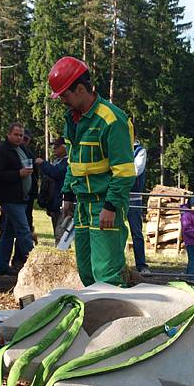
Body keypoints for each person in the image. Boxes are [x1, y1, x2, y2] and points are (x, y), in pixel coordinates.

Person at [49, 56, 135, 286]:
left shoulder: (111, 119)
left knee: (106, 275)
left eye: (65, 96)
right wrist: (67, 194)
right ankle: (96, 318)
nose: (62, 101)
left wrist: (110, 206)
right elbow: (73, 161)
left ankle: (117, 320)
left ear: (79, 89)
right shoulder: (73, 120)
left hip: (104, 204)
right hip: (82, 205)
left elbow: (125, 172)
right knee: (87, 272)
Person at [0, 122, 35, 276]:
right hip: (9, 198)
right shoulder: (1, 152)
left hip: (22, 198)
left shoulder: (22, 149)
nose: (19, 138)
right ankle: (35, 265)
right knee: (24, 230)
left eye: (21, 135)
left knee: (8, 233)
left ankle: (1, 266)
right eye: (16, 134)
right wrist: (18, 174)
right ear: (8, 134)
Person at [35, 136, 68, 240]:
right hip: (54, 204)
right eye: (53, 146)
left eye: (57, 146)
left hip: (62, 203)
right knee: (57, 233)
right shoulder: (57, 161)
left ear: (65, 147)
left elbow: (56, 173)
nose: (54, 149)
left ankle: (62, 254)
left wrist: (43, 164)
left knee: (60, 233)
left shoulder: (68, 162)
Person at [127, 137, 150, 274]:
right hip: (118, 195)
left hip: (134, 197)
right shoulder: (117, 146)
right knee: (114, 231)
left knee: (136, 232)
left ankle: (141, 265)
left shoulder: (139, 151)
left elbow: (136, 171)